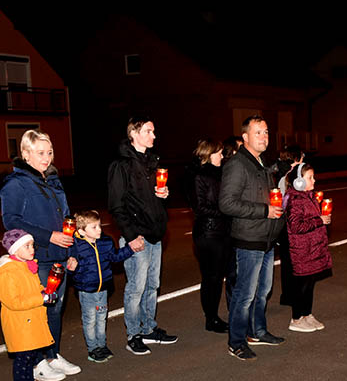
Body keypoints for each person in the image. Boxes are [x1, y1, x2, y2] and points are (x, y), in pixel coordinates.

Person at [0, 130, 81, 381]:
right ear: (25, 154)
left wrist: (72, 251)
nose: (46, 158)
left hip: (59, 255)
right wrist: (49, 236)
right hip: (39, 256)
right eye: (40, 153)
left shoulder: (53, 181)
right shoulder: (16, 183)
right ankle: (37, 362)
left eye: (49, 152)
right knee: (39, 310)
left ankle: (52, 355)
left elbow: (68, 218)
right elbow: (11, 221)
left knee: (55, 309)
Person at [107, 115, 178, 355]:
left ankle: (148, 328)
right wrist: (130, 235)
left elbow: (150, 197)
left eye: (153, 131)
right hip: (137, 235)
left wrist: (163, 194)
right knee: (135, 288)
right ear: (134, 133)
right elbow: (117, 206)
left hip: (155, 233)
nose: (154, 136)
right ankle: (133, 335)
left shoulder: (152, 162)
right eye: (149, 131)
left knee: (152, 285)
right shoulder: (122, 165)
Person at [219, 115, 286, 361]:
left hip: (267, 238)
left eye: (266, 132)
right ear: (245, 137)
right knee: (244, 293)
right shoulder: (238, 164)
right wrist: (264, 211)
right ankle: (236, 341)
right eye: (258, 132)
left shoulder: (261, 163)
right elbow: (226, 204)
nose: (264, 137)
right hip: (249, 239)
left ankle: (258, 331)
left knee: (263, 290)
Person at [0, 230, 58, 381]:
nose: (32, 249)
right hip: (19, 323)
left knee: (31, 354)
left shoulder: (27, 266)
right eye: (26, 246)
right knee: (23, 357)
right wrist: (40, 298)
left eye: (32, 245)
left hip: (30, 320)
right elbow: (13, 301)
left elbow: (33, 289)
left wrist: (45, 292)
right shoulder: (8, 272)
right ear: (14, 250)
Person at [66, 210, 133, 360]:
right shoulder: (76, 246)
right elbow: (69, 270)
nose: (99, 230)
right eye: (94, 227)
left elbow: (115, 257)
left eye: (99, 225)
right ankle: (93, 348)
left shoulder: (105, 242)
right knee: (90, 320)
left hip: (103, 289)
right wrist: (70, 269)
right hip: (86, 290)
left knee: (101, 317)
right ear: (82, 231)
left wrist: (130, 249)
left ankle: (102, 345)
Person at [187, 139, 232, 333]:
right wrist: (226, 211)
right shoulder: (198, 176)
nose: (222, 156)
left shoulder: (220, 173)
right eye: (219, 153)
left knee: (216, 277)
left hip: (221, 231)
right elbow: (200, 207)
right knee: (211, 278)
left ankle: (213, 316)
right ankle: (211, 318)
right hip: (208, 233)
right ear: (209, 153)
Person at [284, 163, 332, 332]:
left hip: (313, 247)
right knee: (302, 284)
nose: (314, 180)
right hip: (302, 249)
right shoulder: (295, 200)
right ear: (298, 181)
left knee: (310, 282)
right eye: (309, 177)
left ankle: (307, 314)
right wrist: (319, 220)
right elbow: (296, 226)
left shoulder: (309, 196)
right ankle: (296, 319)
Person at [276, 145, 305, 306]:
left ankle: (288, 295)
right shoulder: (288, 177)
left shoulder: (285, 175)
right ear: (296, 159)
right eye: (302, 157)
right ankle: (291, 295)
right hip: (289, 225)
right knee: (291, 261)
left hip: (286, 225)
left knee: (288, 262)